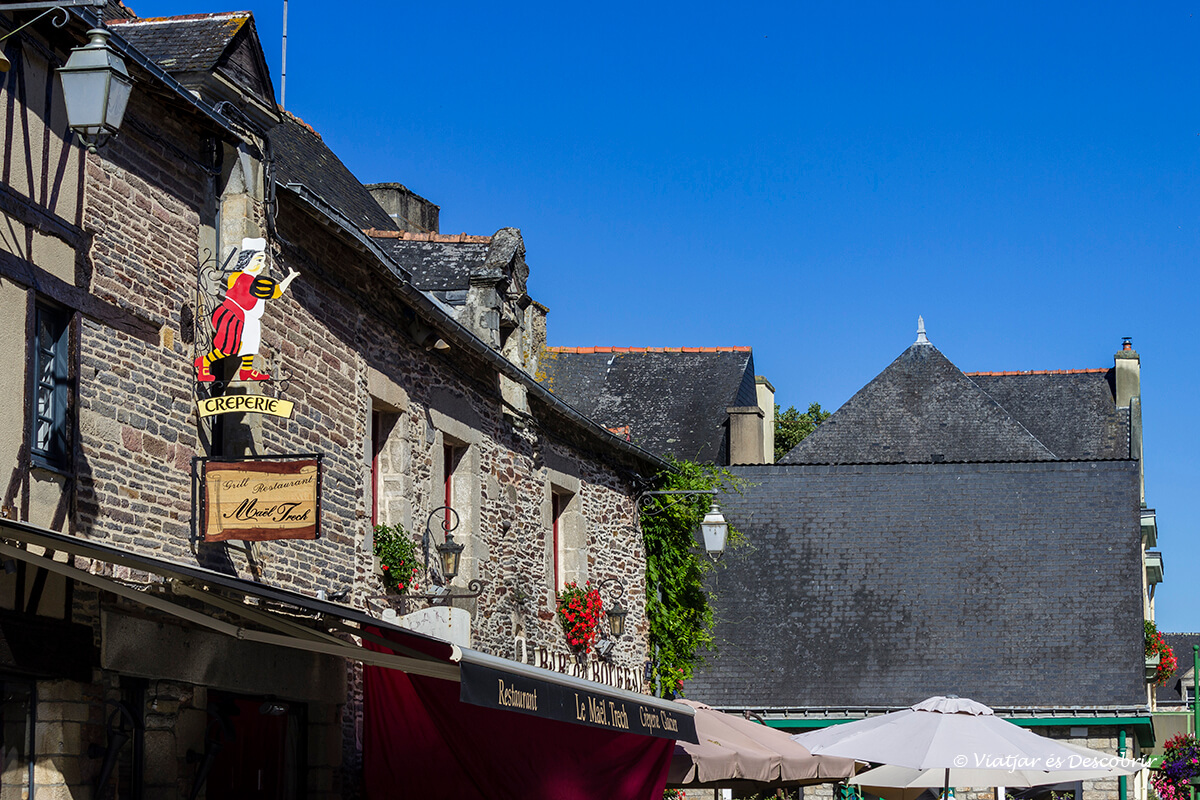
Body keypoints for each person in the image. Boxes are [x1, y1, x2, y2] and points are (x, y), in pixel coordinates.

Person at [194, 238, 298, 382]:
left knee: (250, 345)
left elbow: (274, 292)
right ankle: (204, 361)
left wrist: (289, 278)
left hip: (248, 318)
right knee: (228, 347)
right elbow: (272, 292)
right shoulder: (242, 278)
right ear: (247, 260)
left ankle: (246, 370)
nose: (262, 265)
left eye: (263, 261)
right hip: (234, 316)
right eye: (258, 260)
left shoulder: (252, 279)